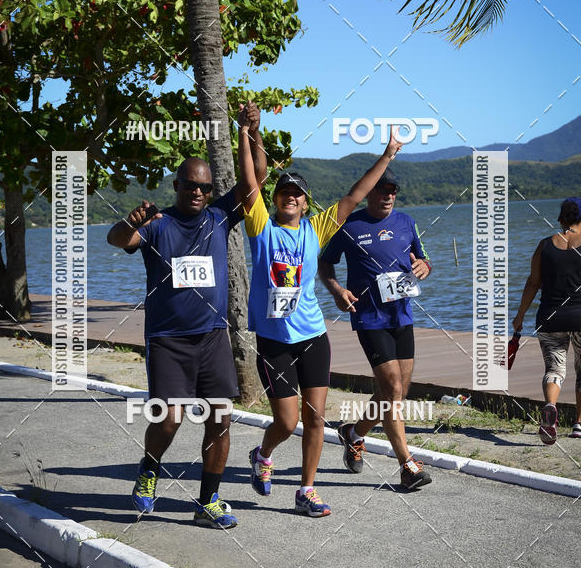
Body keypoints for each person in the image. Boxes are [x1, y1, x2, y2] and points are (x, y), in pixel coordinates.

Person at [106, 103, 266, 527]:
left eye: (205, 188)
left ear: (211, 192)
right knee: (169, 417)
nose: (197, 192)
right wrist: (130, 220)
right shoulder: (158, 223)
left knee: (220, 419)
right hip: (167, 339)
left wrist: (251, 133)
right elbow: (116, 238)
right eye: (190, 186)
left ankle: (207, 502)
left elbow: (256, 182)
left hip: (212, 336)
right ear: (176, 185)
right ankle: (149, 470)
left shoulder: (218, 217)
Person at [238, 115, 403, 517]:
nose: (290, 197)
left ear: (306, 203)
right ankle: (263, 454)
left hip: (312, 335)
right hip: (275, 342)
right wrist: (245, 134)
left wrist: (387, 154)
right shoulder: (261, 228)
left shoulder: (318, 229)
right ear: (275, 201)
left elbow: (356, 193)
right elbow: (248, 185)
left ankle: (306, 490)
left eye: (297, 193)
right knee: (287, 420)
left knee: (316, 420)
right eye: (284, 192)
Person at [318, 168, 433, 490]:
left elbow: (422, 259)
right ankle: (407, 466)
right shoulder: (350, 225)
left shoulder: (407, 223)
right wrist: (338, 291)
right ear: (370, 193)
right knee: (393, 390)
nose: (388, 196)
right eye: (381, 190)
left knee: (395, 391)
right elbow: (325, 263)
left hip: (402, 316)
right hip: (369, 318)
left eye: (392, 190)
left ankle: (353, 434)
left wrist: (425, 266)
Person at [512, 196, 581, 443]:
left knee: (554, 369)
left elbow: (533, 283)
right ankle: (578, 424)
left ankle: (550, 406)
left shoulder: (544, 245)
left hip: (550, 318)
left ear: (561, 218)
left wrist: (520, 315)